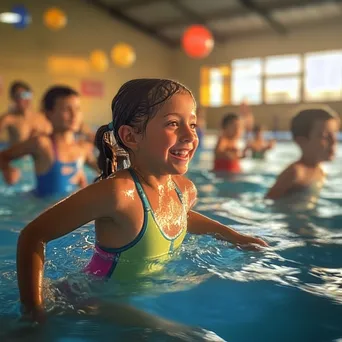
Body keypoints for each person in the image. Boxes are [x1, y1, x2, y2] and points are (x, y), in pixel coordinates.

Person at [16, 79, 267, 326]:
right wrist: (34, 312)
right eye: (172, 124)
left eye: (192, 123)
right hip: (83, 299)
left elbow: (179, 216)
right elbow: (32, 236)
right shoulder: (117, 193)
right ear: (131, 136)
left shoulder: (185, 190)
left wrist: (234, 236)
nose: (190, 135)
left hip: (130, 297)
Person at [0, 86, 98, 197]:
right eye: (66, 109)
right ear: (49, 113)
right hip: (41, 209)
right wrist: (7, 169)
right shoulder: (42, 144)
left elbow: (108, 171)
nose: (74, 114)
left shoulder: (82, 148)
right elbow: (3, 156)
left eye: (77, 108)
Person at [266, 106, 339, 201]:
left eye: (335, 134)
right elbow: (268, 200)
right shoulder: (295, 173)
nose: (333, 141)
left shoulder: (320, 170)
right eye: (325, 136)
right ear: (301, 141)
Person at [0, 81, 52, 145]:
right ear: (13, 98)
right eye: (20, 96)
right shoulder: (9, 118)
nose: (25, 99)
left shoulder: (43, 117)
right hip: (19, 154)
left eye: (27, 95)